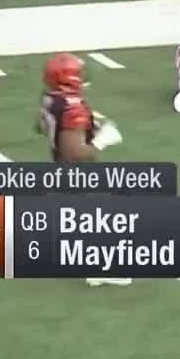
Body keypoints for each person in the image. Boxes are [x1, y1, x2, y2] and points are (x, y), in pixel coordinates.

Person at [38, 53, 129, 287]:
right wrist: (100, 141)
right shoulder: (72, 108)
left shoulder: (50, 98)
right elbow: (75, 153)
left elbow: (40, 125)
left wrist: (89, 126)